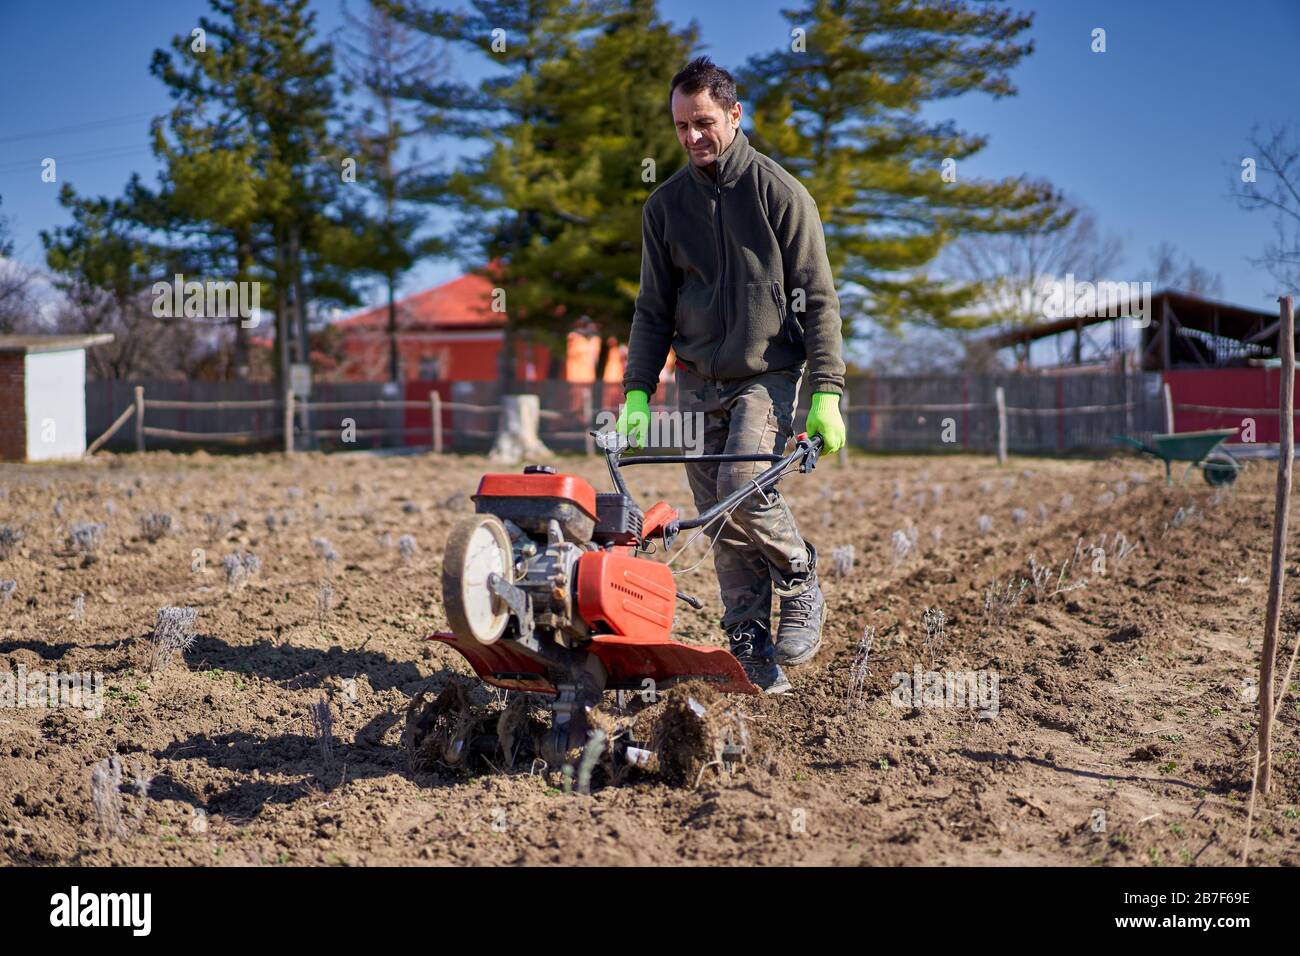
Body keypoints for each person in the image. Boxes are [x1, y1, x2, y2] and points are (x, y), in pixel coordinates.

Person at [616, 56, 847, 694]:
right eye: (682, 126)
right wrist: (637, 390)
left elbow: (820, 299)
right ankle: (749, 640)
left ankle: (799, 575)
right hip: (696, 379)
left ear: (735, 115)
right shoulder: (664, 208)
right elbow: (652, 309)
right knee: (716, 515)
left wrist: (827, 392)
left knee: (741, 484)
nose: (692, 137)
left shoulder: (779, 195)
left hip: (764, 374)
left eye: (704, 123)